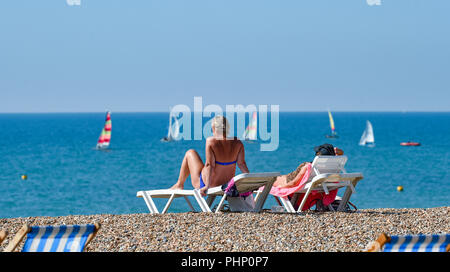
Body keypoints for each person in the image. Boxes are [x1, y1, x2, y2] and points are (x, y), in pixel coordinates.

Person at [169, 115, 249, 196]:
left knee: (190, 153)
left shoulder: (211, 141)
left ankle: (179, 184)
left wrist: (206, 186)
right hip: (227, 184)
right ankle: (179, 184)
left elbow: (209, 165)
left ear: (214, 128)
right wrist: (250, 182)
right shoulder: (238, 142)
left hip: (209, 184)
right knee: (200, 164)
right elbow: (242, 164)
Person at [273, 143, 344, 188]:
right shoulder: (333, 164)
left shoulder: (307, 166)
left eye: (317, 153)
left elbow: (293, 183)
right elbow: (341, 152)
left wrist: (281, 187)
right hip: (315, 182)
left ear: (318, 156)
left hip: (288, 180)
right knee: (279, 177)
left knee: (271, 181)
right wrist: (332, 150)